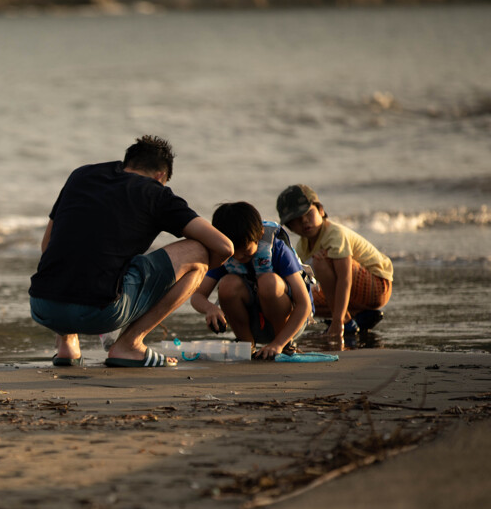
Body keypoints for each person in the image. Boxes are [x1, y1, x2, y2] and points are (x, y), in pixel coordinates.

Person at [28, 135, 234, 368]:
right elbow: (224, 246)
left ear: (128, 162)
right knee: (198, 252)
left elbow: (48, 243)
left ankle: (66, 345)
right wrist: (196, 279)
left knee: (74, 249)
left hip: (43, 304)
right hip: (99, 313)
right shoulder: (156, 193)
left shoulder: (82, 175)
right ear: (160, 177)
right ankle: (130, 344)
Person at [190, 202, 312, 360]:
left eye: (246, 251)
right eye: (234, 252)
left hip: (289, 326)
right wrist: (210, 309)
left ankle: (285, 346)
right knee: (227, 284)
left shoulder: (277, 250)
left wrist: (279, 343)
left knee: (269, 282)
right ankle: (246, 345)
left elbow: (304, 304)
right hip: (252, 324)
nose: (239, 257)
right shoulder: (224, 255)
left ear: (260, 234)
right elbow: (197, 295)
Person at [277, 184, 392, 342]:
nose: (304, 222)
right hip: (354, 291)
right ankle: (357, 317)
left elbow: (345, 278)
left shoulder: (334, 233)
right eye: (296, 220)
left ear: (321, 211)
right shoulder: (302, 246)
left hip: (378, 285)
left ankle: (343, 320)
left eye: (308, 214)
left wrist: (337, 322)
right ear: (290, 226)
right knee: (300, 295)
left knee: (321, 262)